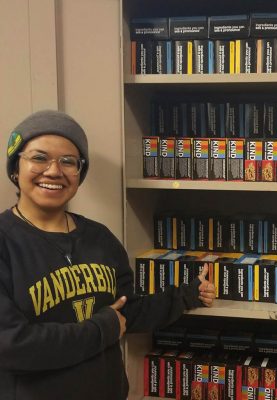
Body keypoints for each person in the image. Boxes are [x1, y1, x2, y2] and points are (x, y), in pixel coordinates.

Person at [0, 110, 216, 400]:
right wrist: (102, 329)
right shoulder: (5, 241)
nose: (54, 171)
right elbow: (12, 346)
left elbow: (126, 312)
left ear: (79, 174)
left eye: (68, 162)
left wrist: (188, 295)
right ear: (15, 167)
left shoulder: (99, 238)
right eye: (39, 158)